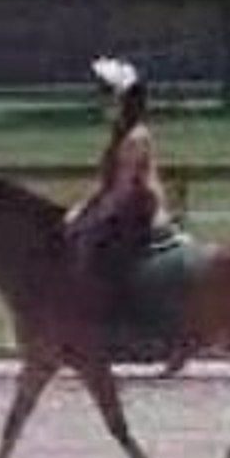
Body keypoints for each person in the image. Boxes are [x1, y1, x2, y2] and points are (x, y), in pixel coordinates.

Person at [66, 57, 172, 322]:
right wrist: (81, 210)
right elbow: (107, 186)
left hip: (138, 213)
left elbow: (121, 192)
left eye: (105, 94)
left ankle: (111, 317)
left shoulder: (134, 138)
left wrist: (90, 219)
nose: (100, 100)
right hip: (121, 209)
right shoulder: (119, 132)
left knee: (93, 251)